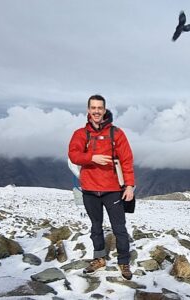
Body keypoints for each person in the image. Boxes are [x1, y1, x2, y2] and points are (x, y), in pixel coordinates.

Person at [68, 94, 135, 280]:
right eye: (93, 108)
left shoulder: (117, 133)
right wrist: (91, 158)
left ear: (104, 110)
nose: (96, 111)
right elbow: (73, 155)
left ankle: (123, 261)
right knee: (95, 227)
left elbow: (127, 160)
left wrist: (129, 186)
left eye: (100, 108)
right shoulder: (81, 134)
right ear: (88, 110)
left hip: (113, 189)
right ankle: (99, 259)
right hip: (89, 190)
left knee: (119, 228)